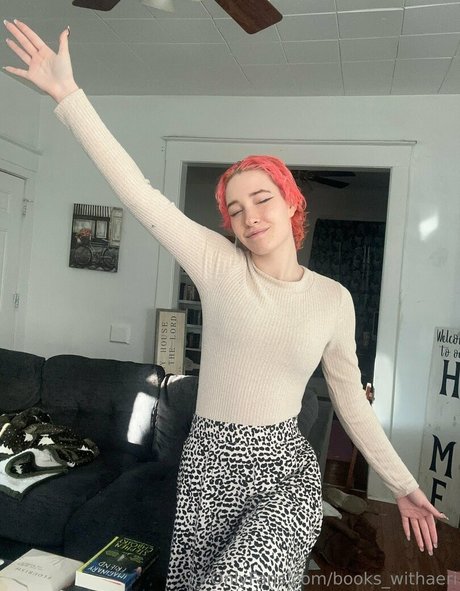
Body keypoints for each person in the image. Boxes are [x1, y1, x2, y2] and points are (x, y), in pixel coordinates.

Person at [3, 19, 446, 590]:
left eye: (262, 199)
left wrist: (404, 484)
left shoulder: (333, 299)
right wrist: (68, 96)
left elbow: (350, 403)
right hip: (209, 463)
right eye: (235, 210)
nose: (249, 216)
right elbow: (139, 192)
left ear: (292, 203)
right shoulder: (218, 266)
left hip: (284, 469)